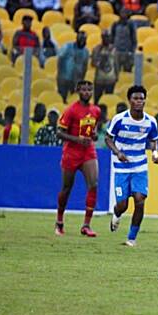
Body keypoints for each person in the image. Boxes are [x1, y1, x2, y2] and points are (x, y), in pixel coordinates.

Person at [104, 85, 158, 247]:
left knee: (140, 200)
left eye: (142, 98)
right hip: (121, 168)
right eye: (136, 98)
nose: (139, 101)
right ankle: (116, 214)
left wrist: (155, 153)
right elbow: (108, 139)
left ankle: (131, 238)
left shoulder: (150, 121)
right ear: (129, 100)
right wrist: (117, 152)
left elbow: (153, 140)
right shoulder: (119, 119)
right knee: (122, 205)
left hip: (140, 167)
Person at [55, 80, 101, 236]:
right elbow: (59, 132)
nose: (87, 92)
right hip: (71, 153)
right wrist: (77, 139)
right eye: (84, 89)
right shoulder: (71, 110)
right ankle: (59, 221)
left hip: (88, 151)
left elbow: (94, 130)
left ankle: (86, 225)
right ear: (78, 91)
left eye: (90, 89)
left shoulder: (96, 110)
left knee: (93, 184)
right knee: (67, 188)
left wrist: (94, 135)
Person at [56, 31, 90, 102]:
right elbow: (60, 59)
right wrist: (60, 74)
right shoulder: (67, 47)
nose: (82, 41)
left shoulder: (86, 51)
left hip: (76, 80)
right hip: (64, 78)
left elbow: (85, 66)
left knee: (73, 99)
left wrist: (81, 79)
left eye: (84, 39)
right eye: (80, 38)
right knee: (62, 98)